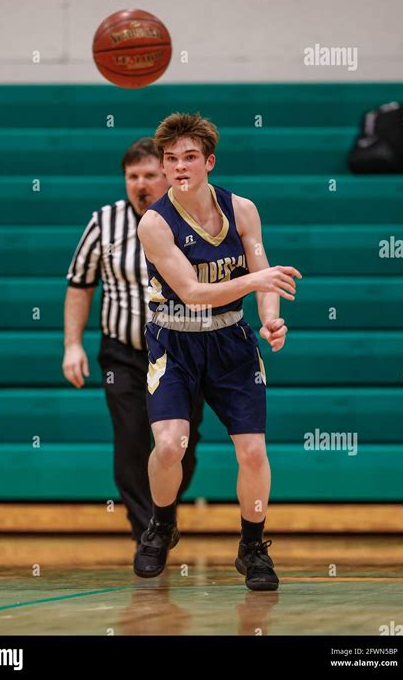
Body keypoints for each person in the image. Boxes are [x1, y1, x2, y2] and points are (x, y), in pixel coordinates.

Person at [134, 114, 302, 590]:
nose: (179, 167)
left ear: (209, 161)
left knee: (252, 453)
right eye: (171, 160)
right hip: (175, 339)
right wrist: (256, 283)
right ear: (163, 167)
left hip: (231, 341)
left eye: (190, 158)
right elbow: (191, 292)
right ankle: (162, 523)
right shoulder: (154, 222)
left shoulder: (242, 209)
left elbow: (263, 269)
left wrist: (270, 317)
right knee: (169, 445)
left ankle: (252, 546)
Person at [62, 137, 204, 547]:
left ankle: (162, 515)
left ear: (167, 176)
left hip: (182, 351)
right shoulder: (103, 223)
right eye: (132, 176)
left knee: (180, 443)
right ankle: (150, 534)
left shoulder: (193, 218)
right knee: (130, 436)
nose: (140, 183)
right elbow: (79, 285)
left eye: (148, 175)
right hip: (122, 353)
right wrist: (73, 344)